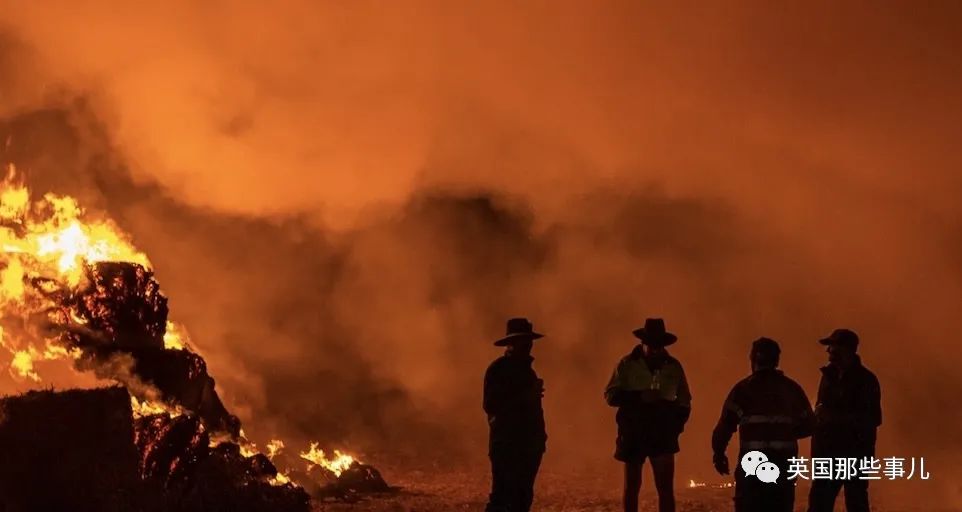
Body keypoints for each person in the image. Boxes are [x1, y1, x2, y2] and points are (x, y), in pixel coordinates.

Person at [712, 337, 814, 512]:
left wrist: (719, 454)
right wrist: (786, 432)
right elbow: (810, 424)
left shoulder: (742, 390)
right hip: (783, 468)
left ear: (753, 359)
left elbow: (724, 427)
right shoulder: (792, 389)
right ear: (776, 360)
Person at [604, 318, 691, 512]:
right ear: (642, 343)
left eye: (659, 345)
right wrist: (639, 397)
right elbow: (610, 396)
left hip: (662, 433)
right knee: (632, 487)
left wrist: (676, 427)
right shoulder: (626, 364)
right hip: (634, 431)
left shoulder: (674, 367)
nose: (656, 349)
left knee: (665, 488)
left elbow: (684, 400)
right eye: (652, 345)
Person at [808, 328, 881, 512]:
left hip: (854, 456)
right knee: (819, 505)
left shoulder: (866, 380)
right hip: (827, 454)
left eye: (831, 347)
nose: (828, 352)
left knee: (855, 504)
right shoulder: (828, 377)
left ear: (846, 350)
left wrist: (831, 418)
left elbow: (872, 418)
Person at [483, 317, 547, 512]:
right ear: (511, 343)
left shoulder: (528, 372)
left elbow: (534, 409)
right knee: (502, 498)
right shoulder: (498, 370)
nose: (528, 345)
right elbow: (490, 405)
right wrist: (526, 396)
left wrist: (540, 438)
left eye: (528, 341)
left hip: (528, 443)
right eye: (523, 340)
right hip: (507, 444)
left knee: (522, 497)